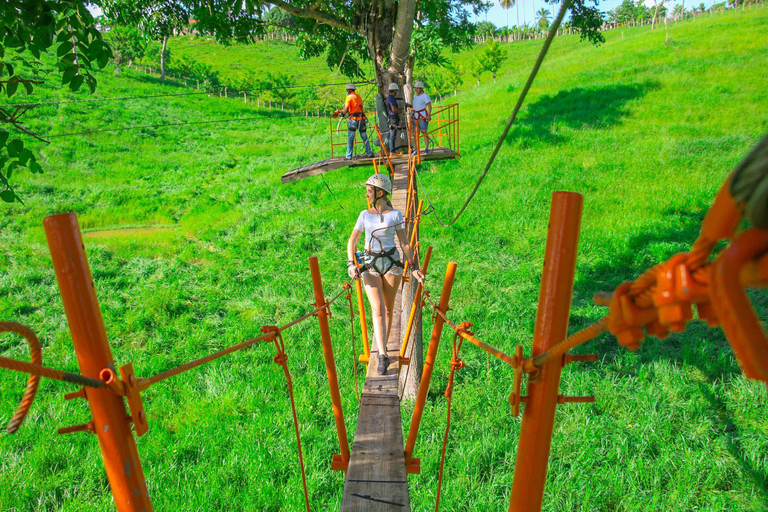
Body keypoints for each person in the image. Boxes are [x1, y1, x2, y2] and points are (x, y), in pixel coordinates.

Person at [346, 174, 423, 375]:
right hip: (369, 265)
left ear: (380, 193)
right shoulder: (364, 215)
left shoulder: (396, 215)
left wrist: (413, 267)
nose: (367, 194)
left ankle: (384, 348)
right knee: (378, 310)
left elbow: (405, 243)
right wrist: (350, 264)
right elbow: (352, 242)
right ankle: (382, 354)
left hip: (392, 264)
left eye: (370, 191)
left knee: (389, 310)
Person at [334, 82, 374, 160]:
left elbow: (346, 110)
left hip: (353, 121)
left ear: (349, 90)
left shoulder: (349, 97)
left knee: (351, 138)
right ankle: (369, 153)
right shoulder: (358, 97)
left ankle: (349, 156)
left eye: (347, 90)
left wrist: (340, 113)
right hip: (361, 120)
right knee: (364, 136)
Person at [411, 80, 432, 155]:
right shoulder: (415, 96)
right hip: (415, 116)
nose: (416, 90)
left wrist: (429, 115)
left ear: (420, 89)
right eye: (415, 88)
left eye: (417, 88)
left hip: (422, 115)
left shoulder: (425, 96)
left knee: (424, 131)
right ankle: (416, 149)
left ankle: (426, 148)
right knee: (416, 133)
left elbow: (429, 105)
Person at [386, 82, 402, 155]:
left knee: (393, 135)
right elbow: (394, 109)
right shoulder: (392, 98)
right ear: (394, 90)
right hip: (393, 118)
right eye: (396, 91)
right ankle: (392, 152)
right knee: (393, 135)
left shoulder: (389, 98)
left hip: (391, 118)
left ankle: (393, 151)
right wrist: (401, 111)